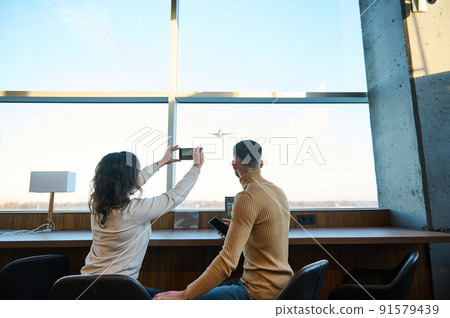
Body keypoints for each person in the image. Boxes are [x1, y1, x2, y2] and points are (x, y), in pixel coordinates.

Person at [153, 140, 293, 300]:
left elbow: (227, 262)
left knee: (171, 299)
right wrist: (237, 230)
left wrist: (185, 296)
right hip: (284, 287)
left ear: (234, 165)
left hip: (258, 292)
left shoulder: (247, 197)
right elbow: (265, 233)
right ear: (260, 164)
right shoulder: (278, 192)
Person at [81, 146, 204, 285]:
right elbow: (175, 196)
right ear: (129, 179)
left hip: (85, 282)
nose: (140, 175)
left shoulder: (98, 205)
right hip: (118, 289)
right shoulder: (134, 211)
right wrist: (196, 167)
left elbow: (131, 183)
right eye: (138, 172)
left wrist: (161, 163)